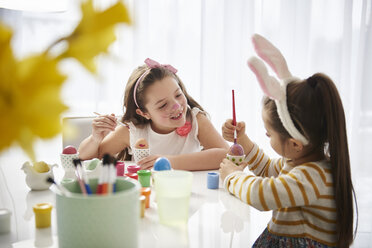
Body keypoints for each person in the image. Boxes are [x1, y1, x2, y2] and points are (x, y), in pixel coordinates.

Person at [220, 34, 357, 248]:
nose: (267, 137)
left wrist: (232, 177)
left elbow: (261, 194)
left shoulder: (311, 177)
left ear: (295, 144)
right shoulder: (300, 163)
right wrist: (243, 139)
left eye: (269, 134)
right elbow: (266, 168)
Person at [78, 58, 229, 170]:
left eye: (178, 95)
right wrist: (95, 138)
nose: (177, 106)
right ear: (144, 113)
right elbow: (86, 161)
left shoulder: (196, 120)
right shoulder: (133, 131)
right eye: (163, 105)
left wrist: (168, 162)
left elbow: (227, 155)